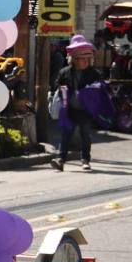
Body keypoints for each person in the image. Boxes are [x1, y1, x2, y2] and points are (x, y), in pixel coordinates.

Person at [51, 34, 101, 172]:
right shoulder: (65, 72)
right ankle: (60, 160)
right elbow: (57, 85)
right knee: (66, 135)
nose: (84, 62)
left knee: (85, 135)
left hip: (85, 110)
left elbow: (99, 89)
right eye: (81, 59)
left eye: (87, 59)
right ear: (74, 59)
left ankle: (85, 160)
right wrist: (63, 91)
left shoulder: (93, 74)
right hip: (69, 110)